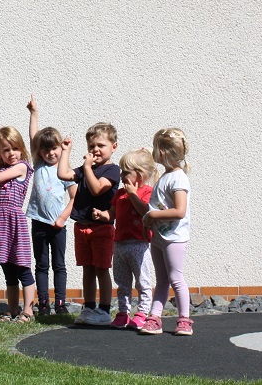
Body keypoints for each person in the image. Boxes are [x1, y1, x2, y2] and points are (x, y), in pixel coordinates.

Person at [0, 100, 36, 323]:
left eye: (15, 148)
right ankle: (12, 310)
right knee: (8, 270)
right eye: (6, 150)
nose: (11, 153)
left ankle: (28, 310)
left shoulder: (21, 167)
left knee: (21, 267)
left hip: (13, 222)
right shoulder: (3, 163)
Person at [58, 123, 121, 327]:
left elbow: (97, 189)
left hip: (102, 228)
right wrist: (65, 152)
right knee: (87, 268)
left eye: (101, 145)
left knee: (102, 269)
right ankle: (89, 307)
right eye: (91, 146)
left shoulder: (112, 170)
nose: (95, 150)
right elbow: (63, 175)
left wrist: (86, 168)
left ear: (114, 147)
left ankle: (103, 310)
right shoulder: (87, 169)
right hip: (82, 227)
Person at [92, 147, 158, 330]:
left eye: (126, 172)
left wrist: (133, 194)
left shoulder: (146, 192)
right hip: (120, 243)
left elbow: (145, 212)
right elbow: (112, 214)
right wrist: (102, 215)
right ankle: (123, 312)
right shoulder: (120, 194)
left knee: (142, 281)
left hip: (139, 243)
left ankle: (142, 313)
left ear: (140, 174)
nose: (122, 175)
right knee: (122, 282)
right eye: (121, 171)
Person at [25, 96, 77, 316]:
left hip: (58, 224)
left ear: (60, 148)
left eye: (54, 149)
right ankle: (44, 303)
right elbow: (33, 138)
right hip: (38, 221)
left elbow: (75, 198)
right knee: (41, 265)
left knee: (59, 265)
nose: (50, 153)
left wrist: (63, 217)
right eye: (46, 150)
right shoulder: (38, 165)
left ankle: (61, 303)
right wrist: (33, 114)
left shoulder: (64, 170)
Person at [139, 128, 193, 336]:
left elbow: (179, 211)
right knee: (161, 280)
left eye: (155, 148)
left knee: (175, 278)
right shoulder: (165, 177)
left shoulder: (179, 179)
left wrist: (152, 216)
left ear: (163, 152)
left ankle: (184, 319)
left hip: (174, 239)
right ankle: (155, 318)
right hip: (160, 238)